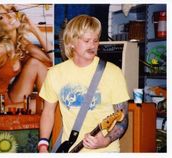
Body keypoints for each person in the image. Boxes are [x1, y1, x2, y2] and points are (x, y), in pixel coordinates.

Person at [38, 15, 129, 153]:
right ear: (71, 42)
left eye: (96, 40)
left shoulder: (113, 73)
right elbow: (48, 112)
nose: (92, 45)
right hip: (69, 149)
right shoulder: (55, 73)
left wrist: (105, 141)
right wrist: (43, 145)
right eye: (87, 40)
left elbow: (123, 119)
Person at [0, 4, 53, 110]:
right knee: (49, 105)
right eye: (2, 16)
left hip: (9, 97)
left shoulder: (19, 42)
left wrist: (35, 30)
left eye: (9, 11)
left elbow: (51, 61)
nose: (10, 16)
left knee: (35, 64)